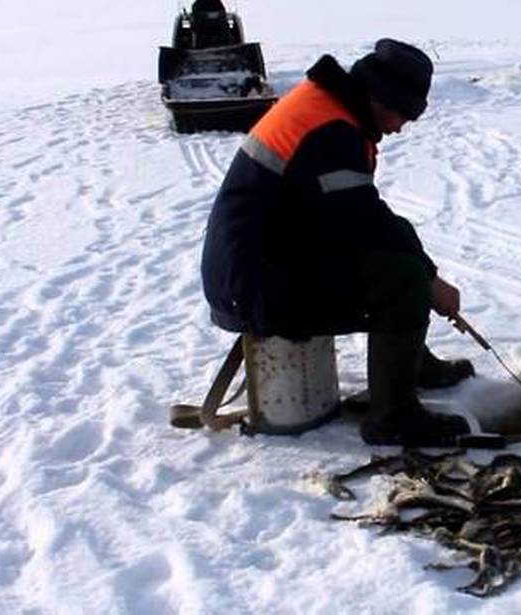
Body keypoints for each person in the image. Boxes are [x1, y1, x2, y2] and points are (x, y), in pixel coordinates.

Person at [201, 39, 474, 447]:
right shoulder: (332, 131)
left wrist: (427, 270)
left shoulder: (328, 107)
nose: (399, 127)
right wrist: (429, 283)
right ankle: (393, 418)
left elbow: (362, 216)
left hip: (268, 260)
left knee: (401, 244)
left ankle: (410, 364)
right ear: (380, 96)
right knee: (401, 279)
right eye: (402, 114)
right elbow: (362, 224)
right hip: (256, 284)